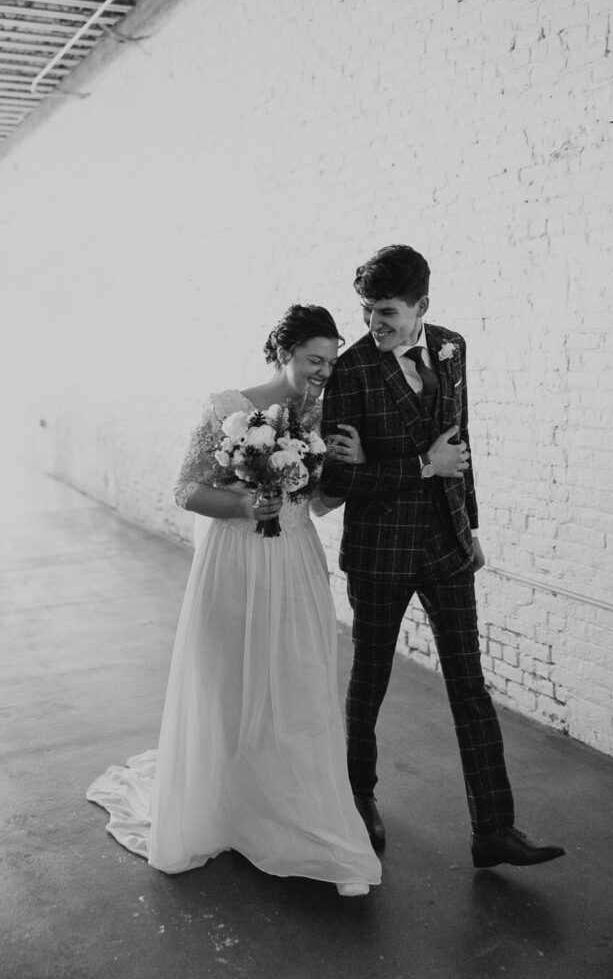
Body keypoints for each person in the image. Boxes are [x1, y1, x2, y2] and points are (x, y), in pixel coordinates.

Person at [87, 304, 381, 898]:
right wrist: (248, 505)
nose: (323, 372)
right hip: (234, 561)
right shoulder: (228, 406)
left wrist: (346, 469)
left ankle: (299, 816)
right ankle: (223, 807)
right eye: (313, 360)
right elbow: (185, 488)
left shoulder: (324, 417)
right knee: (229, 681)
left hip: (295, 558)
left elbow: (319, 504)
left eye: (329, 361)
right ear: (283, 353)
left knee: (297, 683)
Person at [321, 245, 565, 868]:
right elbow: (344, 482)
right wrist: (424, 465)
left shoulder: (453, 347)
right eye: (367, 311)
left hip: (447, 545)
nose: (374, 324)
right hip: (380, 551)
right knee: (369, 682)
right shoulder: (350, 372)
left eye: (386, 312)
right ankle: (357, 800)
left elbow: (463, 445)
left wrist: (472, 526)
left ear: (422, 307)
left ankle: (494, 828)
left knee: (469, 685)